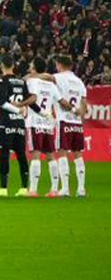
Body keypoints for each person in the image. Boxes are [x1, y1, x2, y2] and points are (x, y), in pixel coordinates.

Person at [24, 60, 62, 197]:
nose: (29, 69)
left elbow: (24, 80)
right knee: (51, 155)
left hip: (35, 122)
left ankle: (33, 190)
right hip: (48, 123)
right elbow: (61, 100)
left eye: (30, 67)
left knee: (35, 155)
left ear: (34, 69)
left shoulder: (31, 82)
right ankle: (55, 189)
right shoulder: (51, 85)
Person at [0, 58, 30, 196]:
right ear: (14, 66)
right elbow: (27, 100)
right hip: (19, 121)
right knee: (21, 154)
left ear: (1, 66)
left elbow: (1, 101)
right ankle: (24, 188)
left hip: (6, 121)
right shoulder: (22, 82)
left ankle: (3, 188)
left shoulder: (2, 81)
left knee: (4, 153)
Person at [53, 54, 88, 198]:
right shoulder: (79, 82)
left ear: (60, 65)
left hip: (64, 120)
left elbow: (45, 78)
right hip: (77, 122)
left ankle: (65, 188)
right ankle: (81, 189)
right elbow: (84, 104)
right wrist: (80, 118)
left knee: (62, 152)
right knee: (78, 154)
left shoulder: (58, 77)